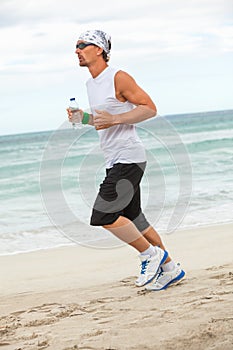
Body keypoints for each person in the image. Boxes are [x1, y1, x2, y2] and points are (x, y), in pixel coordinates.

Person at [67, 29, 185, 291]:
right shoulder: (91, 84)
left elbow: (149, 108)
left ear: (99, 49)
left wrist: (117, 119)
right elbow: (104, 121)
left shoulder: (118, 77)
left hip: (128, 157)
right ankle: (170, 270)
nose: (76, 50)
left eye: (82, 45)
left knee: (104, 215)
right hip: (115, 159)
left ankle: (150, 255)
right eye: (75, 46)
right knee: (136, 219)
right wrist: (83, 118)